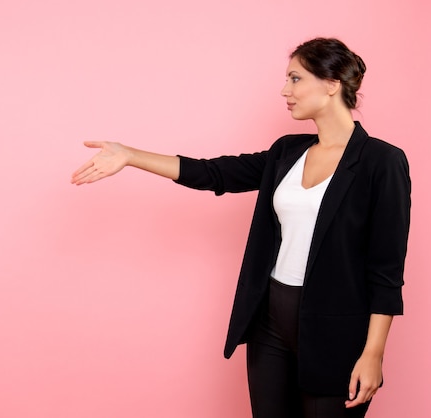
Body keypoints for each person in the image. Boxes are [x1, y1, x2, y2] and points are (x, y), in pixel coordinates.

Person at [70, 37, 411, 418]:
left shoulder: (382, 161)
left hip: (336, 331)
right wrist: (131, 156)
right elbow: (214, 172)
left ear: (331, 84)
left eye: (295, 79)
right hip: (270, 322)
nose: (285, 90)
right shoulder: (287, 151)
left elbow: (386, 270)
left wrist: (373, 354)